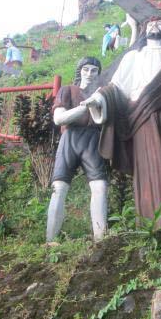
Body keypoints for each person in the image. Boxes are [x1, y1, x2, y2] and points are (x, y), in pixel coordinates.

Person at [83, 17, 161, 229]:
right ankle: (159, 223)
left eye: (159, 24)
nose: (154, 26)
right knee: (151, 164)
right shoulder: (133, 57)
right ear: (144, 30)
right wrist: (98, 99)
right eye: (150, 24)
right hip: (143, 116)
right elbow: (116, 87)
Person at [47, 57, 108, 243]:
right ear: (79, 71)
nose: (89, 74)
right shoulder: (68, 90)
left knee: (100, 186)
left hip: (93, 140)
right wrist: (85, 108)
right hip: (70, 139)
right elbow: (59, 119)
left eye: (94, 70)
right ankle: (50, 239)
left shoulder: (101, 93)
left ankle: (101, 238)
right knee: (59, 187)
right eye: (86, 69)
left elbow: (103, 119)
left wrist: (97, 103)